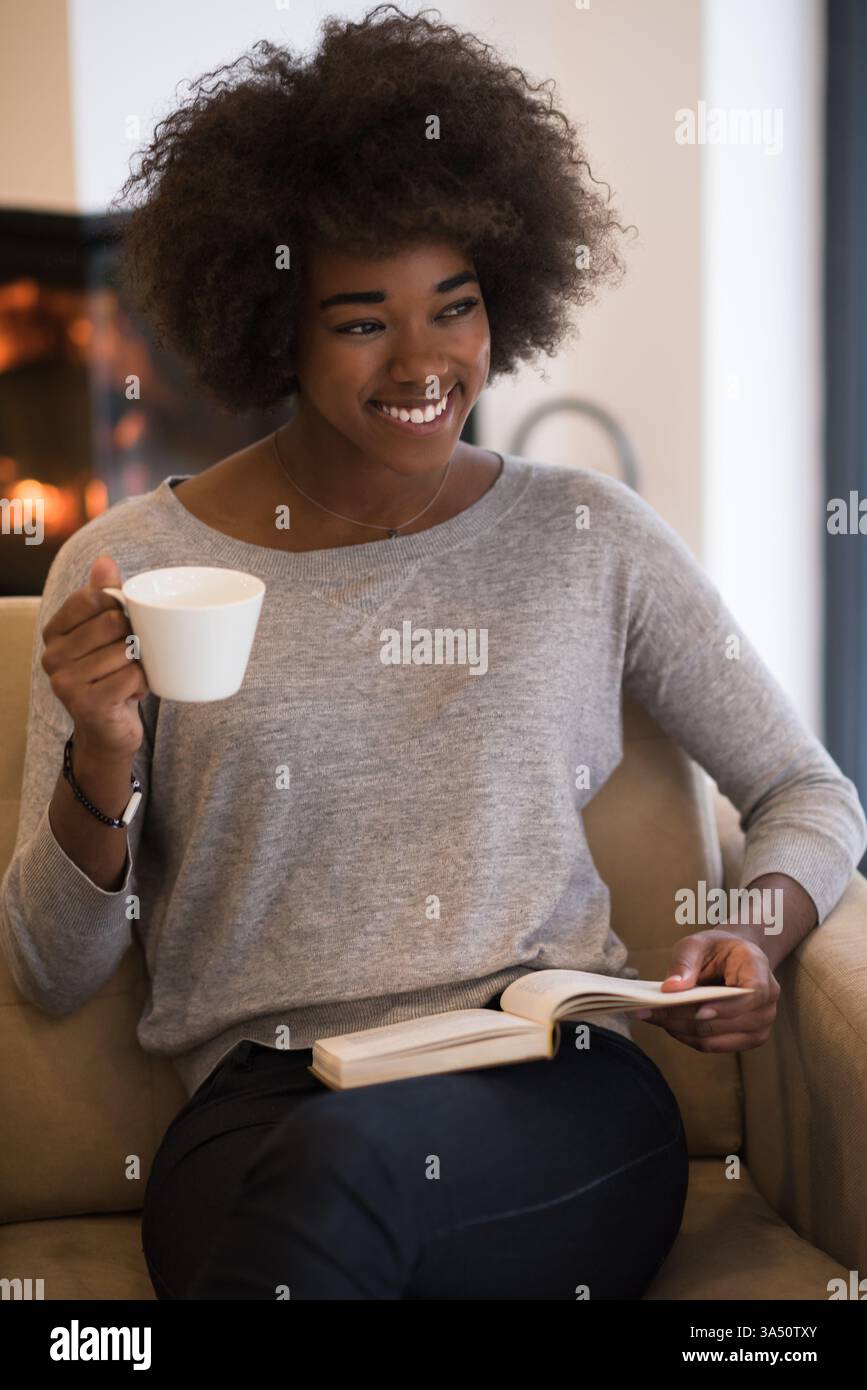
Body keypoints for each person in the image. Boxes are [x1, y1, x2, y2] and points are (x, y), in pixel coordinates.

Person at [2, 6, 865, 1301]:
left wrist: (753, 925)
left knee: (343, 1187)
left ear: (503, 296)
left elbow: (809, 792)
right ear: (272, 322)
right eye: (362, 321)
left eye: (453, 308)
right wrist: (102, 756)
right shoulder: (125, 569)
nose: (425, 363)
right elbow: (50, 968)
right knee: (327, 1181)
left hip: (551, 1086)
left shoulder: (589, 534)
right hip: (259, 1113)